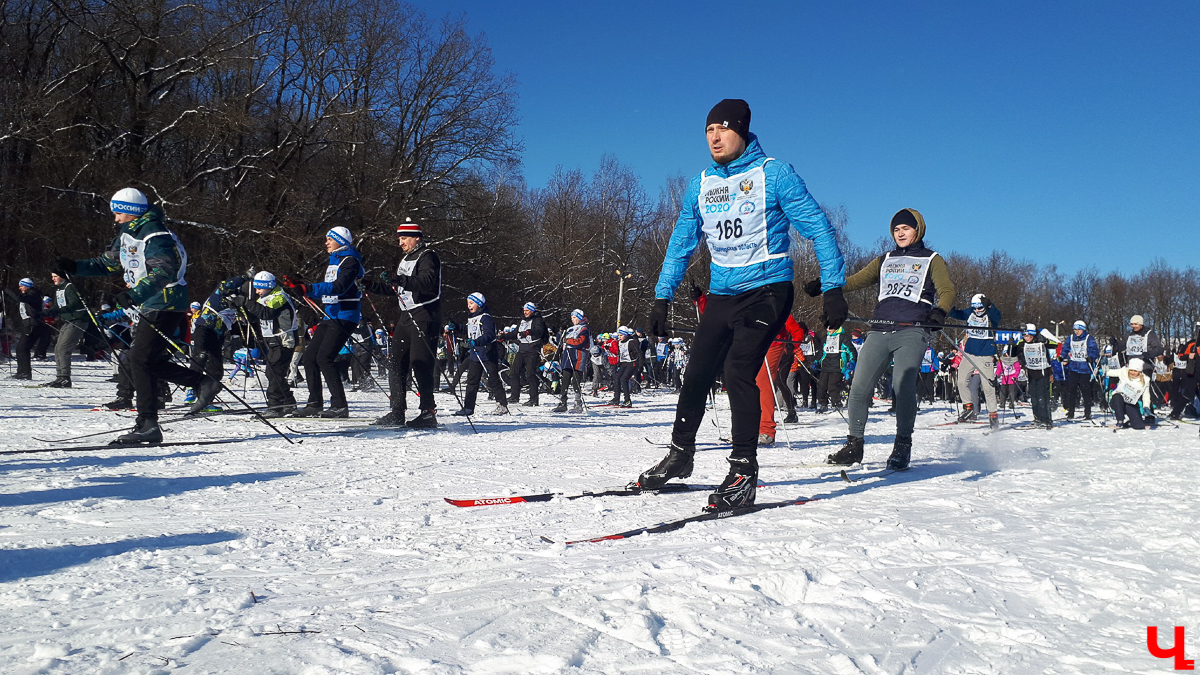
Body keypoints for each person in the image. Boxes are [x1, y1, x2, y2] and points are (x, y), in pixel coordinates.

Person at [636, 98, 847, 511]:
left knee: (737, 370)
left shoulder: (774, 174)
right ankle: (680, 455)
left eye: (722, 128)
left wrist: (834, 287)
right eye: (708, 130)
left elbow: (818, 227)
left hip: (768, 289)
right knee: (696, 374)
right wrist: (662, 297)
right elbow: (681, 243)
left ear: (743, 131)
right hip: (723, 293)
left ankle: (743, 471)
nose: (714, 136)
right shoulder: (701, 184)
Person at [56, 188, 222, 442]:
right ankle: (199, 384)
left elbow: (165, 271)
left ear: (131, 211)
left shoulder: (155, 234)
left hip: (165, 302)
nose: (114, 218)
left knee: (138, 359)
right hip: (151, 303)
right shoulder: (129, 233)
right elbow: (108, 264)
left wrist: (136, 295)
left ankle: (148, 423)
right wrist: (75, 266)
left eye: (118, 212)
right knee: (147, 360)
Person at [824, 208, 954, 469]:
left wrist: (940, 311)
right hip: (880, 328)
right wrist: (826, 285)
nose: (900, 233)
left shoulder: (932, 259)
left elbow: (947, 290)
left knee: (902, 386)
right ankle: (854, 445)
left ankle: (902, 445)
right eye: (896, 229)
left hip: (912, 329)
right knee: (859, 388)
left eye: (906, 228)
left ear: (918, 230)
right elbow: (855, 281)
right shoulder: (885, 259)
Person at [283, 226, 364, 418]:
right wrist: (302, 287)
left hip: (345, 315)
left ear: (340, 241)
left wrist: (309, 287)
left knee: (325, 357)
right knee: (310, 356)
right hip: (330, 315)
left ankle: (339, 406)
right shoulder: (334, 261)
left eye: (329, 239)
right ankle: (314, 403)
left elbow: (340, 287)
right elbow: (328, 288)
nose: (326, 242)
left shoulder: (350, 261)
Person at [369, 217, 441, 428]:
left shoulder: (428, 256)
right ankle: (397, 411)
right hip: (406, 316)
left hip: (425, 314)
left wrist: (399, 280)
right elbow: (397, 289)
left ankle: (428, 412)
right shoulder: (405, 259)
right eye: (399, 238)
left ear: (416, 238)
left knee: (421, 363)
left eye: (404, 238)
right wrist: (371, 285)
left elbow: (427, 283)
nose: (400, 242)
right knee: (396, 364)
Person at [224, 271, 299, 418]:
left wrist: (246, 302)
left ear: (269, 286)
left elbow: (267, 313)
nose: (257, 292)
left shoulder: (279, 297)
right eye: (256, 288)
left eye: (260, 289)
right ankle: (287, 402)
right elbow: (256, 315)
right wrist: (240, 307)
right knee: (272, 373)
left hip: (284, 340)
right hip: (273, 341)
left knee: (274, 373)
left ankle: (275, 406)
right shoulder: (266, 297)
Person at [948, 293, 1002, 427]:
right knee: (960, 380)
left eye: (979, 308)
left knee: (988, 386)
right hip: (969, 353)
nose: (977, 311)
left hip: (985, 354)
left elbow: (998, 317)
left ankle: (993, 414)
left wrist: (990, 305)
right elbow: (956, 314)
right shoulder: (969, 313)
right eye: (975, 308)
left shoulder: (990, 315)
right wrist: (949, 305)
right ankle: (968, 407)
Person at [454, 293, 506, 417]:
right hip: (475, 354)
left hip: (488, 352)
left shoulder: (485, 317)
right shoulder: (471, 318)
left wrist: (476, 342)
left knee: (493, 379)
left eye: (471, 303)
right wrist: (456, 327)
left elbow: (489, 335)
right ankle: (468, 407)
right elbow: (468, 330)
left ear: (479, 304)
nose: (469, 306)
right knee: (472, 380)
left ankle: (502, 404)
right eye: (468, 303)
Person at [4, 278, 50, 380]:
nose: (19, 288)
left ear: (27, 286)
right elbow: (16, 300)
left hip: (33, 325)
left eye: (21, 286)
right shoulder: (28, 295)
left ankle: (25, 373)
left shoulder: (33, 294)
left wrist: (5, 289)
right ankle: (21, 371)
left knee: (23, 348)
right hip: (28, 324)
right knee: (20, 348)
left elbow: (19, 298)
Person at [507, 301, 547, 407]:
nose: (525, 312)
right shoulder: (522, 321)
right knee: (514, 371)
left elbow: (539, 331)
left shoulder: (537, 320)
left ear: (532, 311)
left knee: (530, 373)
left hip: (532, 349)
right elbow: (516, 333)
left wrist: (529, 332)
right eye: (524, 310)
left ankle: (534, 399)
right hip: (522, 349)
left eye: (527, 310)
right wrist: (504, 336)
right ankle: (514, 396)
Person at [1015, 324, 1054, 428]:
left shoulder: (1040, 341)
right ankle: (1037, 418)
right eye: (1025, 336)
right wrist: (1011, 346)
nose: (1026, 338)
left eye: (1029, 336)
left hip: (1043, 372)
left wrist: (1046, 341)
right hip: (1031, 373)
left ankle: (1046, 419)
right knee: (1034, 398)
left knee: (1042, 397)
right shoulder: (1022, 343)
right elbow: (1013, 353)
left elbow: (1055, 344)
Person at [1059, 320, 1099, 419]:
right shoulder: (1071, 338)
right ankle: (1071, 412)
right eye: (1075, 329)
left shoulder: (1089, 338)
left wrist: (1091, 357)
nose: (1077, 332)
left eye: (1079, 330)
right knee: (1071, 390)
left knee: (1085, 391)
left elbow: (1094, 350)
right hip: (1073, 368)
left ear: (1083, 330)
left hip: (1085, 369)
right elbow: (1066, 349)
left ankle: (1087, 412)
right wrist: (1062, 356)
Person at [554, 309, 591, 413]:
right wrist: (560, 335)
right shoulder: (570, 329)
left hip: (578, 356)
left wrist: (568, 340)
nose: (573, 320)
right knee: (565, 380)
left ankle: (578, 403)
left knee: (575, 381)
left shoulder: (584, 329)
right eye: (572, 318)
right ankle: (563, 402)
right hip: (567, 356)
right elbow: (561, 342)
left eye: (574, 317)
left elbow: (580, 342)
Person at [815, 324, 855, 413]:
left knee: (833, 386)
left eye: (831, 328)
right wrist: (816, 361)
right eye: (828, 327)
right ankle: (823, 404)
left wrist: (852, 362)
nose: (828, 329)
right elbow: (822, 352)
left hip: (838, 366)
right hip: (826, 366)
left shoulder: (843, 338)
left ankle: (837, 404)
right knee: (821, 385)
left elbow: (852, 351)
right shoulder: (825, 338)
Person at [1108, 358, 1153, 429]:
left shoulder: (1145, 380)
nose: (1132, 372)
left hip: (1130, 403)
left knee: (1139, 426)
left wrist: (1146, 406)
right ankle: (1120, 420)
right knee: (1117, 396)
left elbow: (1146, 395)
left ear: (1139, 371)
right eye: (1131, 370)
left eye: (1135, 371)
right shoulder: (1124, 372)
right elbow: (1110, 372)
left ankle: (1130, 422)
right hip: (1117, 401)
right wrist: (1105, 370)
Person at [611, 325, 642, 407]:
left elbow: (639, 353)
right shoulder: (620, 342)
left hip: (632, 363)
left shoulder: (631, 342)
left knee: (623, 379)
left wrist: (640, 365)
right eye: (618, 335)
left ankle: (627, 400)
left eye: (621, 335)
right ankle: (616, 399)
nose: (619, 337)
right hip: (623, 363)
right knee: (617, 378)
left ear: (625, 334)